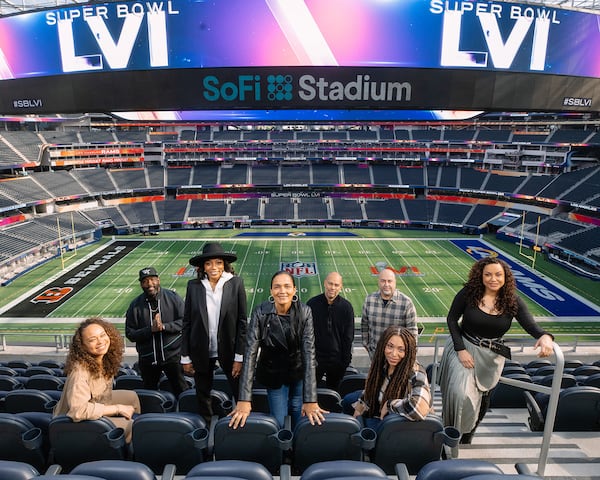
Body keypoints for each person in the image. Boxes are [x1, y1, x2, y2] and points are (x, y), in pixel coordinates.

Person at [438, 256, 554, 446]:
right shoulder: (469, 293)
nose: (493, 279)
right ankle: (452, 433)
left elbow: (531, 326)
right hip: (465, 348)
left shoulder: (512, 300)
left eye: (498, 275)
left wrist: (546, 336)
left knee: (483, 397)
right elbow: (452, 319)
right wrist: (460, 349)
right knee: (460, 394)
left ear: (505, 277)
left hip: (491, 356)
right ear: (481, 276)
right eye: (488, 274)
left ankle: (468, 433)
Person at [228, 270, 328, 429]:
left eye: (287, 286)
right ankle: (281, 448)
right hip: (273, 374)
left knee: (298, 411)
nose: (282, 291)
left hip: (298, 371)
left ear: (295, 290)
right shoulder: (260, 312)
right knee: (278, 419)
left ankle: (296, 445)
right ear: (271, 291)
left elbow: (309, 354)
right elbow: (250, 354)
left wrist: (310, 400)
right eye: (277, 287)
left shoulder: (305, 312)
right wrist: (244, 399)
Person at [180, 242, 248, 424]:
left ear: (224, 264)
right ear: (203, 266)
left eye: (218, 262)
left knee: (238, 391)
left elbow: (242, 323)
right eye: (209, 263)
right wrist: (185, 357)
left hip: (229, 349)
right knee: (202, 393)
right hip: (201, 349)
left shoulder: (236, 283)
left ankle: (241, 426)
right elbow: (186, 322)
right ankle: (207, 426)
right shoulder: (193, 286)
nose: (213, 267)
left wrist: (239, 357)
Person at [54, 317, 141, 443]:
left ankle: (132, 431)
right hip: (74, 423)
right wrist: (117, 408)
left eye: (102, 335)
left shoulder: (103, 359)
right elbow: (78, 411)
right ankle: (126, 447)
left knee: (131, 397)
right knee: (132, 425)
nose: (100, 341)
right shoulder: (79, 373)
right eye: (92, 340)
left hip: (97, 402)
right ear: (82, 346)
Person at [342, 326, 432, 429]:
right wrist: (359, 409)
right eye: (390, 346)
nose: (393, 354)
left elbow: (420, 408)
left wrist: (390, 404)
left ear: (408, 352)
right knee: (348, 401)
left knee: (367, 425)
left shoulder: (416, 372)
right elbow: (371, 390)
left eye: (401, 349)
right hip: (380, 405)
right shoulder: (382, 362)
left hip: (399, 423)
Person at [125, 266, 188, 397]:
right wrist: (150, 330)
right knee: (150, 394)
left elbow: (186, 322)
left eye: (152, 280)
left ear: (158, 280)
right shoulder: (135, 305)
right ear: (141, 284)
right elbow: (130, 333)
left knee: (181, 390)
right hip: (148, 360)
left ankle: (184, 416)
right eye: (145, 281)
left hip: (173, 358)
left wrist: (164, 327)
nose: (149, 284)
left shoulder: (173, 298)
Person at [307, 271, 355, 391]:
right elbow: (306, 333)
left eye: (336, 285)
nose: (332, 287)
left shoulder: (346, 307)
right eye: (330, 283)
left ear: (341, 287)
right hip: (315, 359)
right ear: (324, 283)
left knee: (333, 394)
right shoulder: (312, 304)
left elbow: (348, 337)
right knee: (311, 394)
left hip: (337, 361)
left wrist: (345, 361)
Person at [361, 268, 418, 359]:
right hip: (376, 356)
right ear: (378, 282)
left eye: (389, 281)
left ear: (395, 282)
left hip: (397, 358)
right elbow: (364, 325)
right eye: (383, 281)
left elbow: (412, 334)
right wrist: (367, 345)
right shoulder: (369, 300)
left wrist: (407, 356)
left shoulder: (406, 303)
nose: (386, 284)